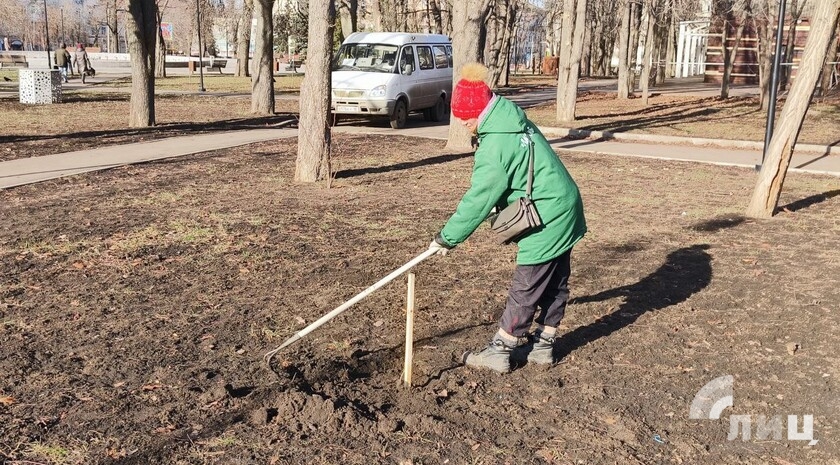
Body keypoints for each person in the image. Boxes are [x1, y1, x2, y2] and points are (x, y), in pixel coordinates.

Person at [428, 62, 587, 374]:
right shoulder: (512, 120)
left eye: (463, 117)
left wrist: (447, 238)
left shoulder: (495, 144)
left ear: (477, 111)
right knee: (555, 281)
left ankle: (502, 350)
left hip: (547, 215)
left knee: (526, 286)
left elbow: (479, 197)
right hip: (564, 204)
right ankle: (543, 346)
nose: (462, 123)